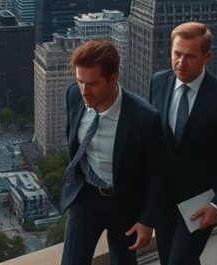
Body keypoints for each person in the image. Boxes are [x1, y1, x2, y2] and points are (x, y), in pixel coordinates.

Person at [148, 22, 217, 265]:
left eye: (190, 56)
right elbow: (152, 140)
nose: (181, 63)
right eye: (177, 54)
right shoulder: (158, 82)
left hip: (200, 204)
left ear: (207, 57)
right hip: (163, 200)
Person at [61, 39, 166, 265]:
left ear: (113, 78)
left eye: (93, 84)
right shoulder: (74, 96)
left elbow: (159, 173)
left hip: (125, 202)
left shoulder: (144, 119)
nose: (84, 92)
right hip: (86, 195)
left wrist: (148, 220)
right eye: (80, 81)